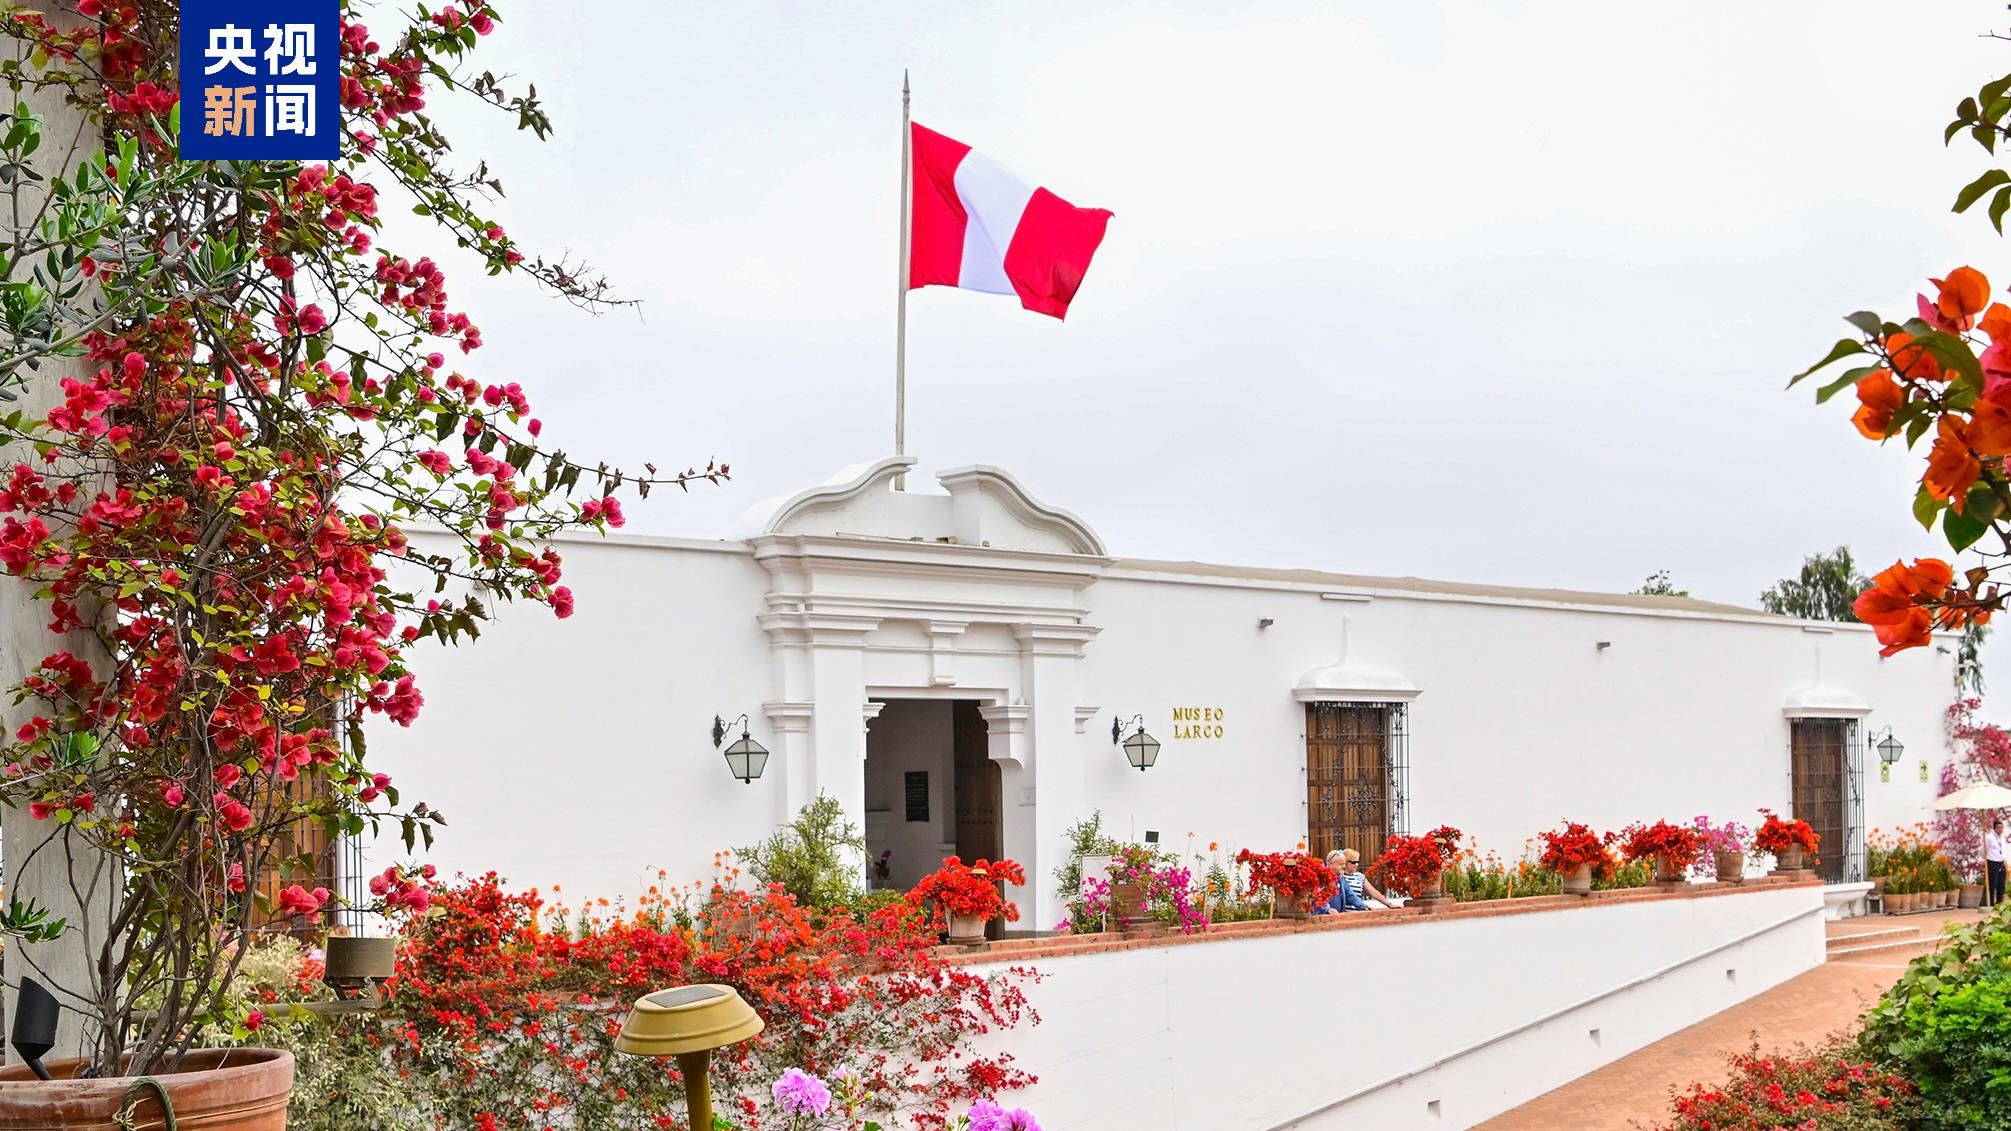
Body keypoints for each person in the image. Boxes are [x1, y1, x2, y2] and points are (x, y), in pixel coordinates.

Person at [1987, 817, 2007, 908]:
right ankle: (1991, 903)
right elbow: (1983, 850)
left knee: (2001, 883)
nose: (2000, 829)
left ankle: (1999, 902)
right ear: (1994, 828)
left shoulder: (2002, 838)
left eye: (2002, 827)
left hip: (2000, 862)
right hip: (1992, 861)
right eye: (1998, 827)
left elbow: (2003, 850)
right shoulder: (1989, 837)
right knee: (1992, 883)